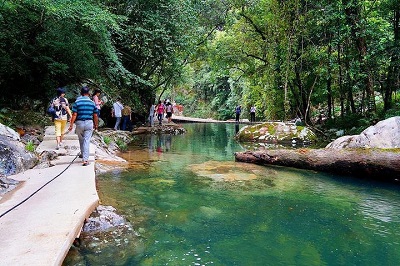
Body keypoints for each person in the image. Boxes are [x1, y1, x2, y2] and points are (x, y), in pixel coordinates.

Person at [68, 87, 99, 166]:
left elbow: (74, 114)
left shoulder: (77, 102)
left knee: (81, 140)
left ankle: (83, 154)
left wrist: (71, 124)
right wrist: (96, 125)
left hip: (79, 123)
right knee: (86, 141)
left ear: (81, 93)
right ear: (88, 93)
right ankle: (85, 159)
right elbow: (95, 115)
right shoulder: (92, 103)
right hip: (89, 123)